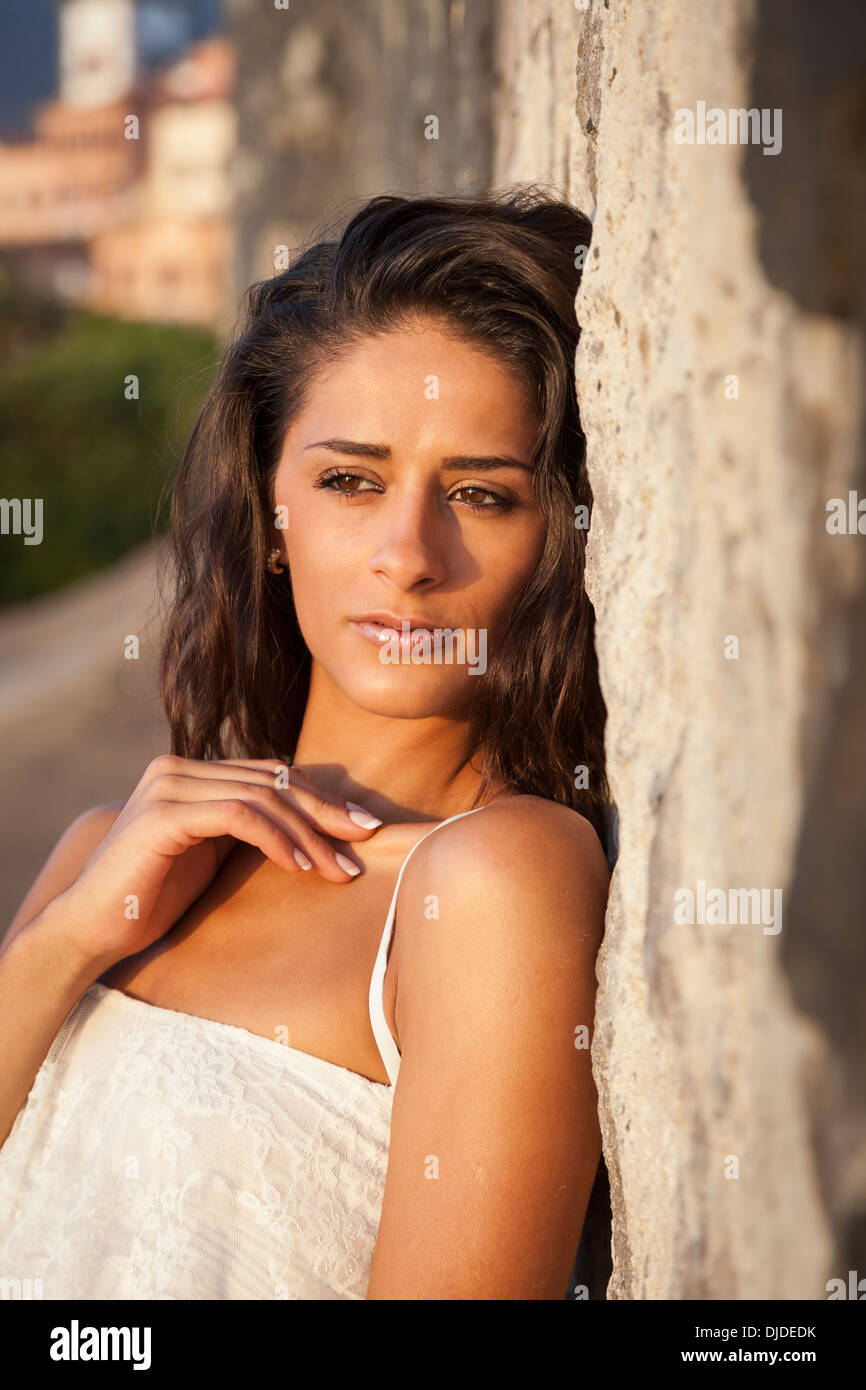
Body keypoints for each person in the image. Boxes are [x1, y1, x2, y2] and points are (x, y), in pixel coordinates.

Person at [0, 189, 613, 1300]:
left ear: (556, 540)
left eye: (479, 494)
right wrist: (65, 945)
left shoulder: (489, 881)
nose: (406, 554)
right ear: (271, 516)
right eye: (349, 480)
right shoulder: (110, 857)